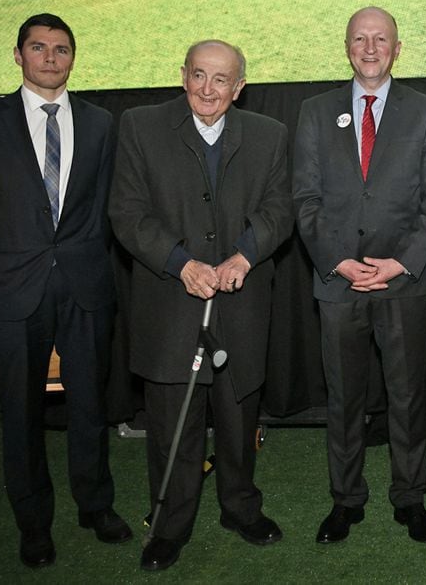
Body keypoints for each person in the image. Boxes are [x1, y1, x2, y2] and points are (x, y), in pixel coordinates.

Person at [109, 40, 293, 570]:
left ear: (240, 88)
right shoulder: (141, 127)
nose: (207, 89)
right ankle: (170, 526)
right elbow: (126, 212)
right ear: (182, 76)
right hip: (170, 302)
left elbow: (281, 208)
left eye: (221, 80)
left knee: (239, 421)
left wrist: (245, 256)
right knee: (173, 425)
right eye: (198, 75)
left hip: (242, 303)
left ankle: (240, 508)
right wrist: (180, 263)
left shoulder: (269, 135)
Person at [0, 13, 131, 568]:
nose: (50, 58)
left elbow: (107, 205)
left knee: (88, 405)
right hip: (14, 292)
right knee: (20, 413)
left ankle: (94, 504)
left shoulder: (102, 123)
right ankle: (33, 524)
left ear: (72, 58)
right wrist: (10, 264)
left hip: (84, 285)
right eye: (38, 47)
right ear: (18, 56)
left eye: (61, 49)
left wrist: (79, 257)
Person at [293, 7, 426, 544]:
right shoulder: (315, 112)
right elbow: (305, 199)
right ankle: (346, 500)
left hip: (404, 283)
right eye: (359, 38)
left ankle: (410, 499)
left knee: (407, 398)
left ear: (397, 48)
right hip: (337, 284)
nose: (369, 47)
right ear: (346, 46)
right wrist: (339, 260)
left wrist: (401, 262)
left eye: (380, 39)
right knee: (344, 399)